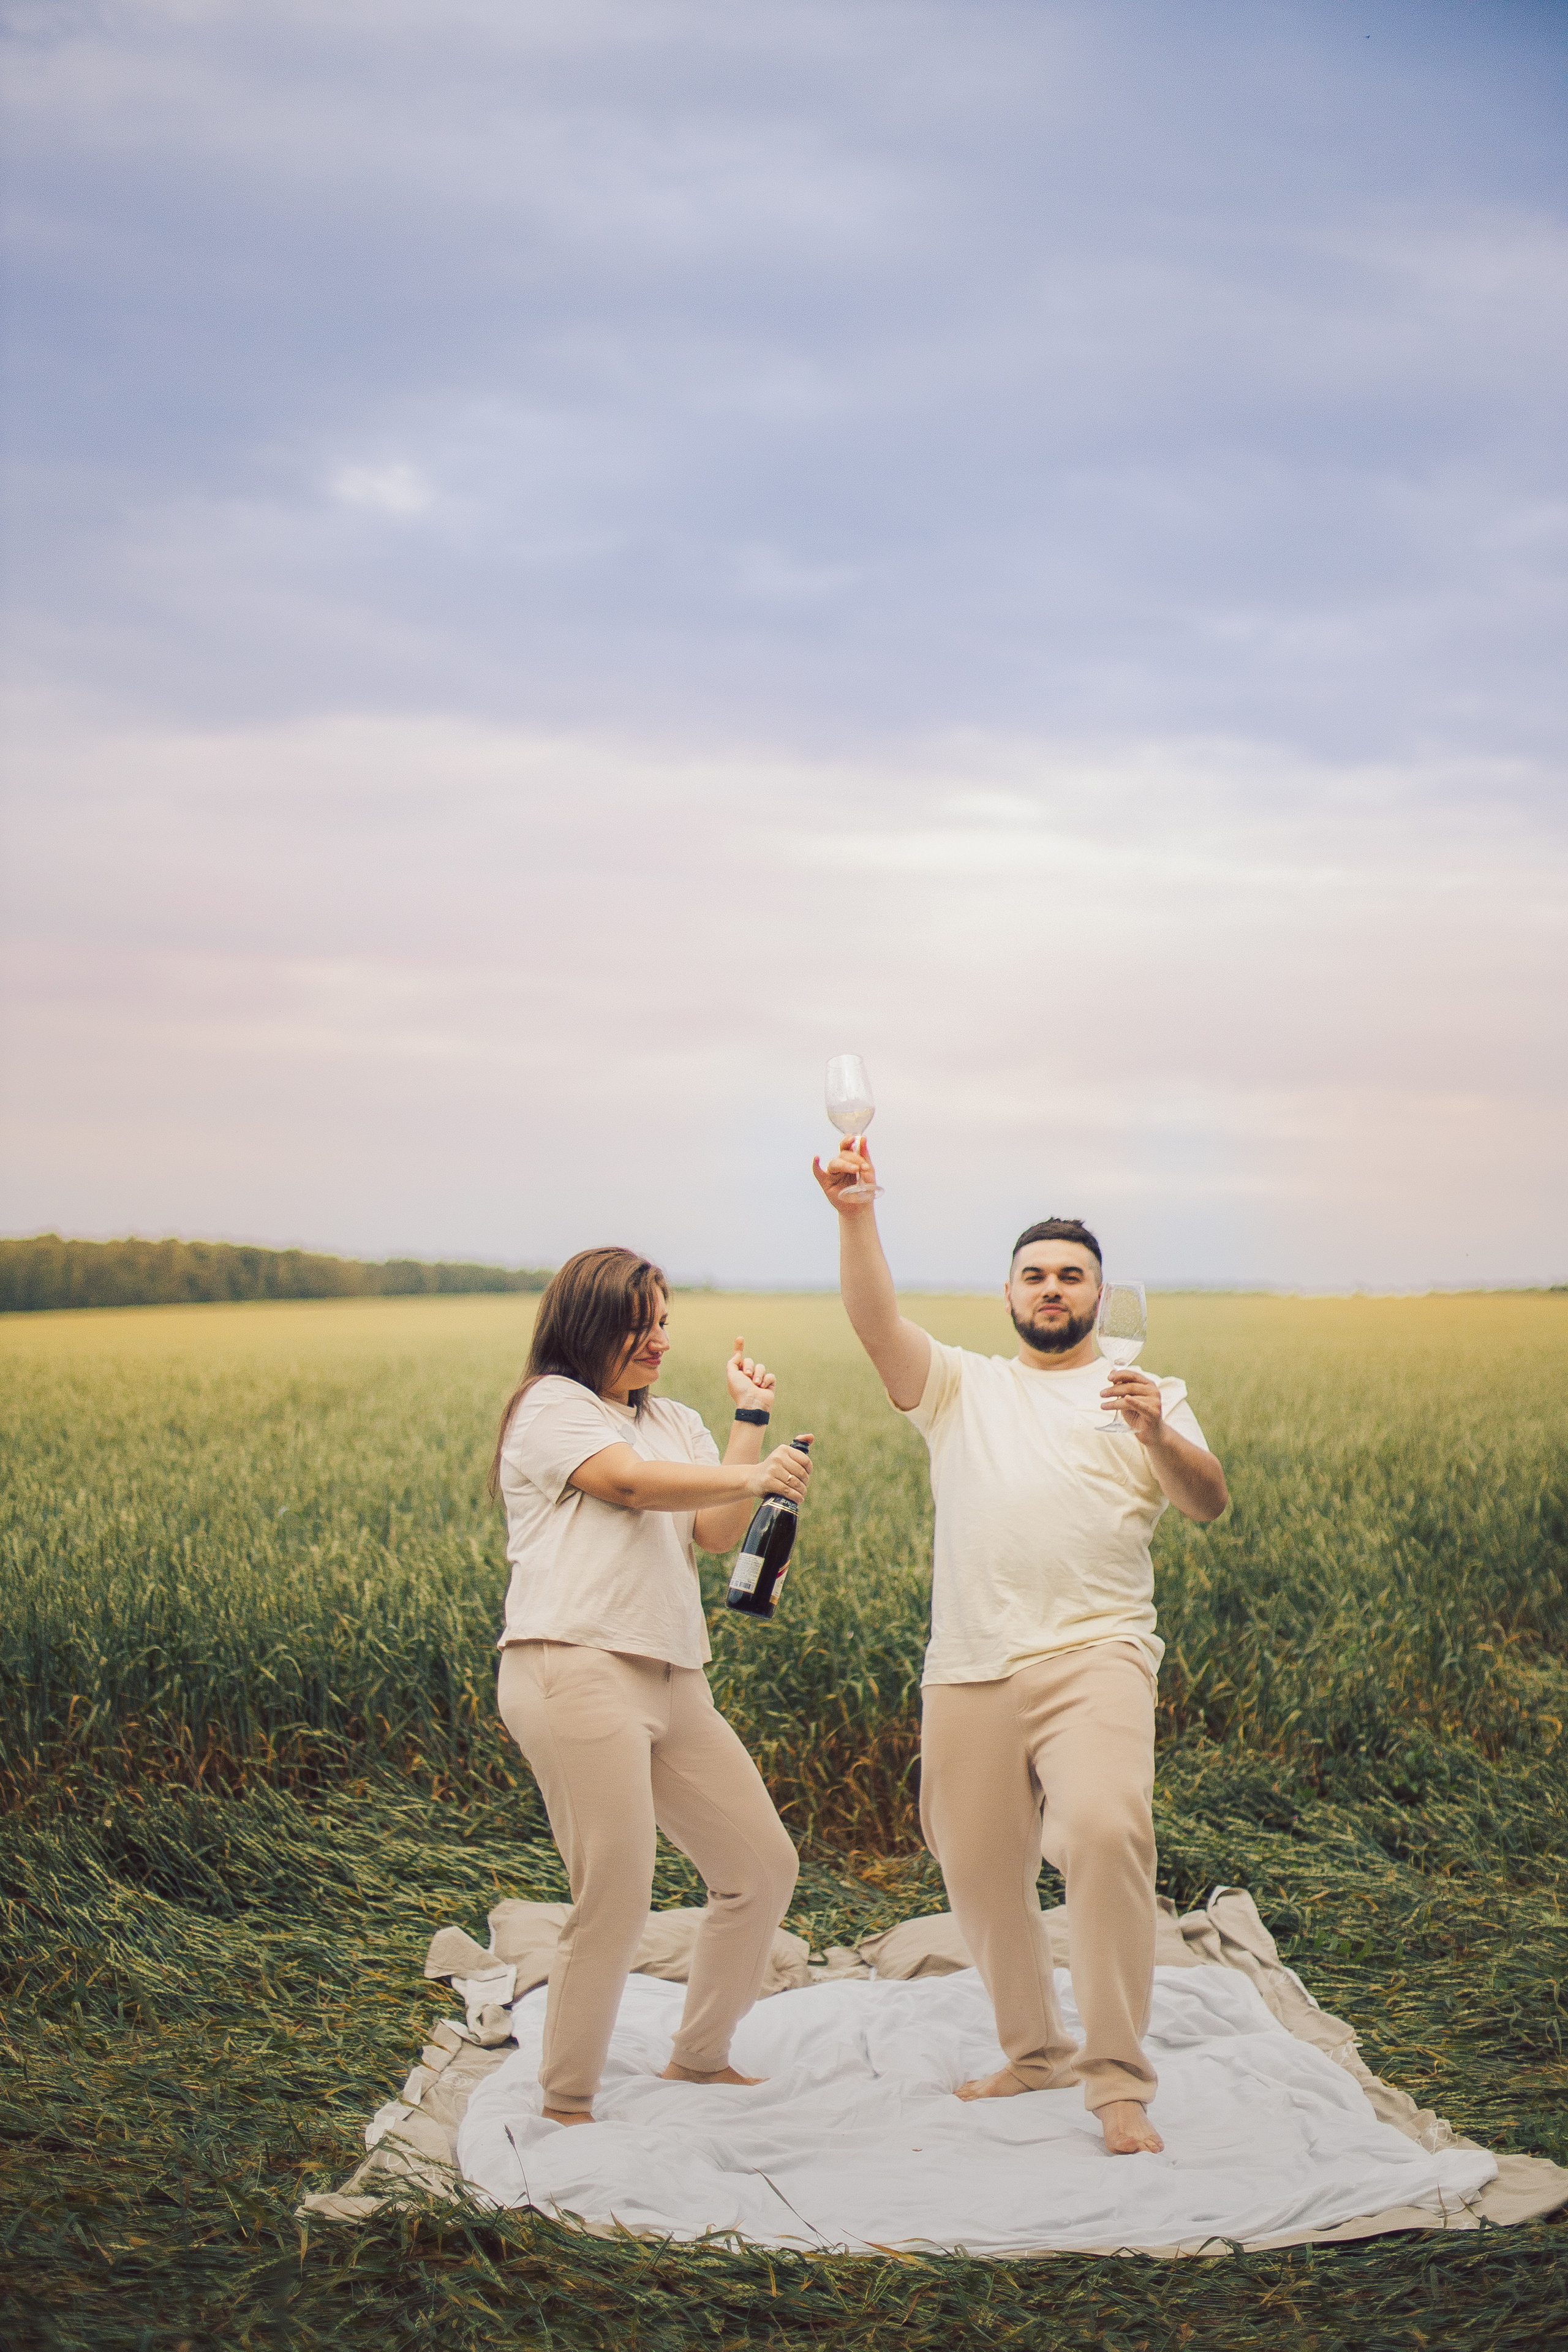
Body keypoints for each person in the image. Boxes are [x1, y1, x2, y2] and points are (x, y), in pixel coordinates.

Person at [812, 1142, 1227, 2157]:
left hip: (1097, 1653)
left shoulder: (1149, 1391)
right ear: (1009, 1293)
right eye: (1035, 1274)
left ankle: (1118, 2082)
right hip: (969, 1662)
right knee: (981, 1867)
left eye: (1071, 1275)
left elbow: (1208, 1501)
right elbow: (875, 1327)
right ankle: (1033, 2048)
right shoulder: (963, 1386)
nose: (1053, 1288)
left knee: (1103, 1829)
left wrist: (1155, 1435)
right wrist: (857, 1213)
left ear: (1100, 1294)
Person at [489, 1244, 807, 2127]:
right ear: (587, 1326)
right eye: (639, 1323)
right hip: (573, 1666)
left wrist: (750, 1420)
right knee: (617, 1890)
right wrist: (755, 1469)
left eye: (664, 1320)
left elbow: (712, 1533)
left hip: (673, 1675)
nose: (657, 1339)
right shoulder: (551, 1407)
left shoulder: (676, 1423)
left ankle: (701, 2057)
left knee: (760, 1869)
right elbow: (624, 1484)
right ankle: (567, 2103)